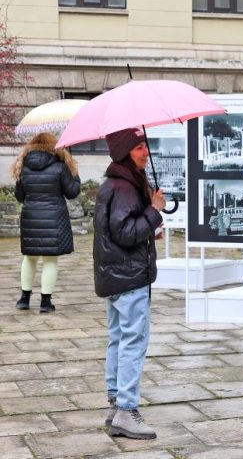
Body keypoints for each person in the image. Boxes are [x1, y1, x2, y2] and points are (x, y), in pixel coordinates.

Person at [93, 127, 165, 440]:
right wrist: (154, 212)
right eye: (138, 147)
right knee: (133, 341)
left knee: (118, 338)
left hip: (115, 275)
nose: (144, 152)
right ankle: (126, 409)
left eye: (144, 146)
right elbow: (124, 232)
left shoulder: (116, 182)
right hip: (129, 277)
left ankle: (116, 403)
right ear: (125, 152)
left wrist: (149, 224)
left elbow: (118, 230)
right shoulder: (124, 186)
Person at [11, 132, 81, 312]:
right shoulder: (60, 167)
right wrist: (75, 174)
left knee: (29, 257)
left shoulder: (23, 166)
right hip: (54, 218)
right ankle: (45, 302)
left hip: (31, 218)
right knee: (50, 260)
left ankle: (24, 299)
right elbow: (72, 192)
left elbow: (20, 196)